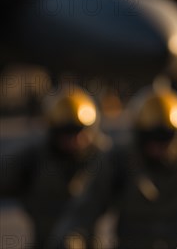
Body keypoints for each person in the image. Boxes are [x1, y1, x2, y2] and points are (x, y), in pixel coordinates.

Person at [50, 86, 177, 249]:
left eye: (165, 138)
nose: (157, 147)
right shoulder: (119, 161)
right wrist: (71, 240)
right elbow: (84, 211)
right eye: (150, 137)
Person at [0, 86, 110, 249]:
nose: (75, 140)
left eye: (80, 132)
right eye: (67, 133)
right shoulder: (33, 160)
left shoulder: (103, 159)